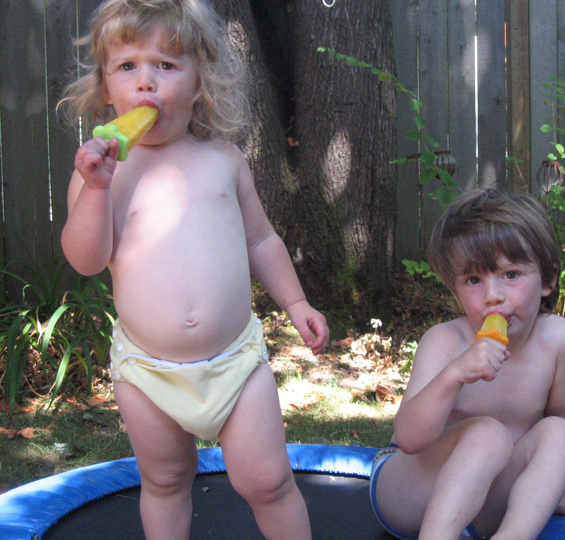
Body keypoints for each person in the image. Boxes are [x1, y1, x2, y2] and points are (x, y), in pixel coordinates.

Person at [60, 1, 328, 539]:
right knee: (165, 480)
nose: (146, 84)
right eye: (128, 66)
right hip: (147, 369)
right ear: (106, 88)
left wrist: (296, 303)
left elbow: (261, 239)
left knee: (270, 480)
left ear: (200, 80)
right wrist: (94, 190)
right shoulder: (104, 173)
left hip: (236, 362)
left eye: (166, 65)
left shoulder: (223, 159)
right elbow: (86, 261)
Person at [369, 189, 565, 540]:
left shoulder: (560, 342)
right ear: (455, 289)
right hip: (411, 492)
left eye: (511, 274)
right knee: (487, 434)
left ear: (547, 279)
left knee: (564, 435)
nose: (493, 295)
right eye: (474, 280)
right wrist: (454, 374)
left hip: (487, 500)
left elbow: (561, 418)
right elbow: (409, 439)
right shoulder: (445, 341)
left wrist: (547, 483)